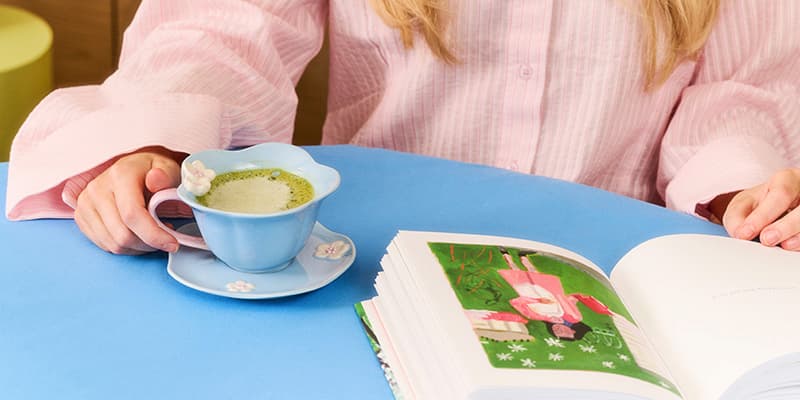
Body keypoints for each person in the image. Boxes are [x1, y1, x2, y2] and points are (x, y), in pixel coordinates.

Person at [4, 1, 799, 255]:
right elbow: (224, 28)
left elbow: (741, 87)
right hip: (371, 257)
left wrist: (741, 192)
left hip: (613, 266)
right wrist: (157, 142)